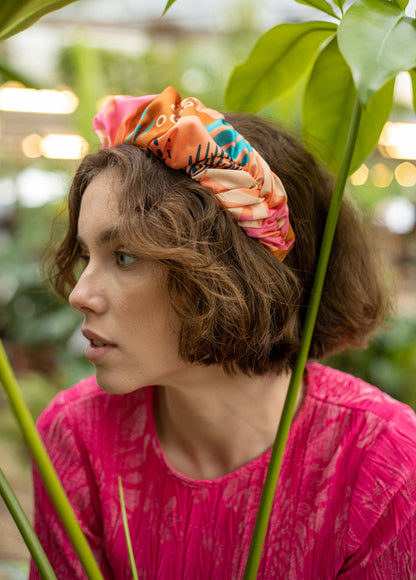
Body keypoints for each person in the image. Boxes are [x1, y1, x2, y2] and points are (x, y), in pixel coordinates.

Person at [30, 86, 416, 579]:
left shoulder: (380, 463)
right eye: (88, 256)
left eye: (124, 257)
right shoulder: (77, 435)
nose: (79, 295)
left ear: (232, 275)